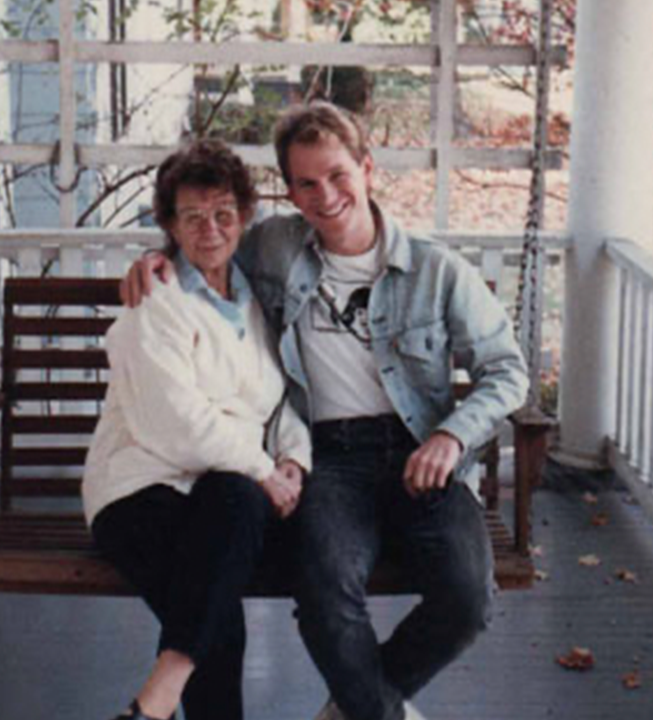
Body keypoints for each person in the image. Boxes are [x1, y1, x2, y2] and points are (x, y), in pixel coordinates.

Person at [121, 102, 529, 720]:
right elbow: (207, 235)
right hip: (328, 457)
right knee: (323, 595)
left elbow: (508, 370)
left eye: (338, 175)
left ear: (367, 169)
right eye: (306, 183)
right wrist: (158, 260)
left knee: (468, 599)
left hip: (423, 451)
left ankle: (354, 709)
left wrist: (453, 435)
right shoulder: (275, 247)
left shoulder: (436, 270)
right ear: (290, 192)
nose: (326, 195)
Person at [83, 139, 312, 720]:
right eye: (192, 217)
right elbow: (176, 425)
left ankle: (153, 702)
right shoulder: (155, 302)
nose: (210, 230)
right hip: (138, 493)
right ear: (169, 225)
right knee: (220, 618)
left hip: (218, 496)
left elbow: (279, 396)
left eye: (223, 214)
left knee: (225, 559)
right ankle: (159, 701)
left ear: (244, 217)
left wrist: (290, 460)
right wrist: (262, 470)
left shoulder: (251, 300)